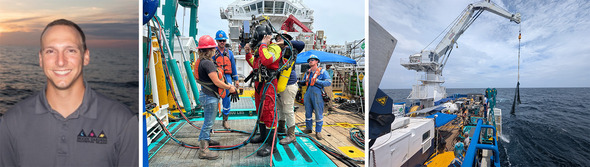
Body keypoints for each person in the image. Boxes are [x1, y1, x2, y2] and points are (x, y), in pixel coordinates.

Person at [0, 19, 138, 166]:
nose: (60, 61)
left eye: (70, 50)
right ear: (41, 59)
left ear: (85, 57)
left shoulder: (123, 122)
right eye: (51, 51)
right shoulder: (11, 123)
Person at [194, 35, 237, 160]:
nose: (214, 50)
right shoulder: (208, 64)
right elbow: (217, 82)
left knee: (209, 122)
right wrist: (230, 87)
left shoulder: (202, 62)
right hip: (210, 97)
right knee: (208, 123)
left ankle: (206, 140)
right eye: (213, 48)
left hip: (206, 95)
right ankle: (203, 150)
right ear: (209, 50)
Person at [245, 25, 281, 157]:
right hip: (259, 85)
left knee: (269, 113)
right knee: (260, 111)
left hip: (269, 85)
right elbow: (254, 63)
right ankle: (262, 136)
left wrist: (264, 45)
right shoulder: (262, 49)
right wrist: (248, 52)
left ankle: (271, 145)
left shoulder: (275, 48)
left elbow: (267, 60)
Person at [274, 31, 305, 145]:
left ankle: (292, 135)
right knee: (280, 108)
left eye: (281, 39)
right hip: (280, 85)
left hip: (289, 84)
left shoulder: (292, 50)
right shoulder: (278, 51)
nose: (278, 40)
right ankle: (281, 128)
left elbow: (301, 44)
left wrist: (285, 41)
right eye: (277, 39)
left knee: (288, 110)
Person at [301, 55, 332, 140]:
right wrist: (301, 82)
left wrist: (317, 81)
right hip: (308, 93)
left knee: (318, 113)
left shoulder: (322, 72)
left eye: (312, 60)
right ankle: (308, 128)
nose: (310, 61)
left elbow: (328, 82)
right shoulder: (308, 72)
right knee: (308, 112)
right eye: (309, 60)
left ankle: (318, 131)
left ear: (317, 61)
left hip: (317, 93)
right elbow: (304, 81)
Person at [213, 30, 239, 129]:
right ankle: (211, 121)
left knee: (227, 99)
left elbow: (233, 66)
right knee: (214, 98)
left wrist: (236, 80)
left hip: (227, 77)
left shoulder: (230, 53)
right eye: (220, 41)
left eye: (223, 40)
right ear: (217, 41)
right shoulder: (213, 52)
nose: (222, 42)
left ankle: (225, 120)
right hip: (216, 76)